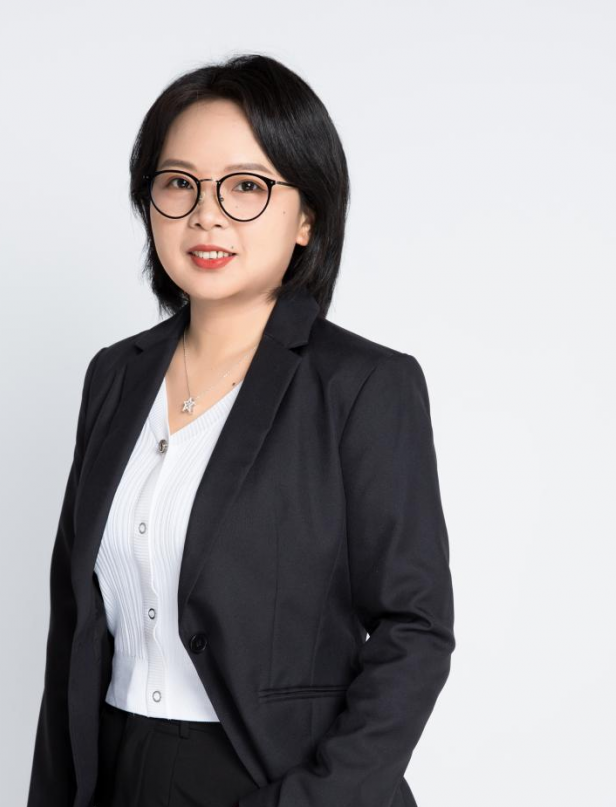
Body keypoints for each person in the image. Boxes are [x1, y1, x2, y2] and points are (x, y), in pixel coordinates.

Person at [27, 53, 456, 807]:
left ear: (308, 216)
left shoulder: (362, 386)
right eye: (178, 183)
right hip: (118, 770)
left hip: (275, 777)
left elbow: (413, 630)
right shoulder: (115, 377)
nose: (207, 214)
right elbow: (76, 625)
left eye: (247, 186)